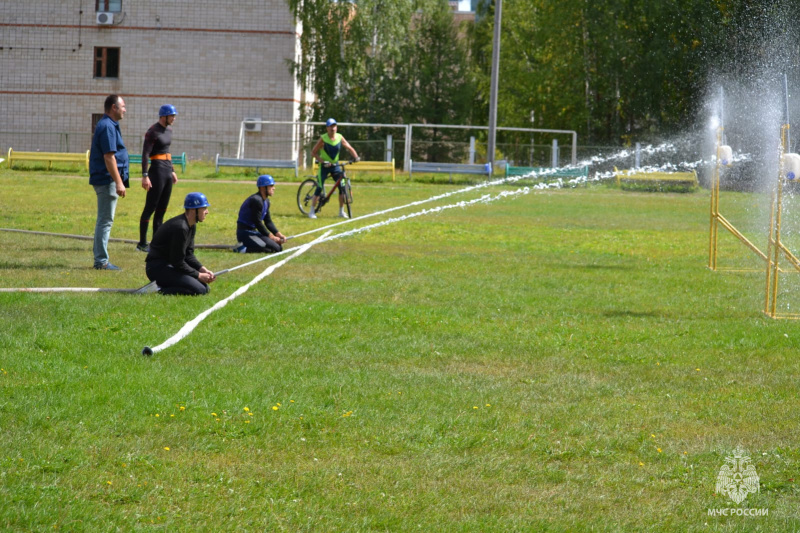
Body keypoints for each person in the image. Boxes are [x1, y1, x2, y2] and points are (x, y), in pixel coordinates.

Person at [145, 192, 216, 295]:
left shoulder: (191, 225)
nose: (207, 212)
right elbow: (177, 261)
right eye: (204, 208)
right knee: (200, 290)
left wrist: (203, 269)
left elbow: (189, 254)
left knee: (205, 288)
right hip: (157, 268)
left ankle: (166, 285)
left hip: (170, 265)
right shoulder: (180, 228)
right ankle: (157, 290)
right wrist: (198, 275)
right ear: (193, 210)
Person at [89, 94, 128, 270]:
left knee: (105, 220)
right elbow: (109, 157)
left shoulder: (110, 125)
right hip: (106, 179)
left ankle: (100, 259)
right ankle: (101, 262)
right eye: (123, 106)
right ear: (114, 107)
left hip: (107, 179)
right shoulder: (107, 127)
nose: (125, 109)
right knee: (105, 220)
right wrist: (118, 182)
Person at [137, 104, 179, 253]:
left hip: (167, 171)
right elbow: (145, 154)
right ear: (164, 116)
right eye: (172, 116)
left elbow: (167, 151)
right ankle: (142, 244)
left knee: (162, 209)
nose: (174, 118)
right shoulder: (152, 132)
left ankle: (156, 244)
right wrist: (144, 176)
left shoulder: (169, 130)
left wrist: (172, 170)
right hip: (156, 172)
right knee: (150, 208)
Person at [309, 118, 359, 219]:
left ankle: (341, 211)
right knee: (319, 187)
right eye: (330, 126)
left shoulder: (340, 137)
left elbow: (349, 147)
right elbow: (313, 152)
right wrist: (323, 162)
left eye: (334, 126)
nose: (333, 128)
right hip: (324, 166)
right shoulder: (323, 138)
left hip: (335, 166)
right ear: (327, 128)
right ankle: (311, 211)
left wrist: (356, 157)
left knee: (342, 186)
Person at [234, 175, 287, 253]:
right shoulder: (256, 201)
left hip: (254, 232)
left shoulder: (266, 201)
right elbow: (258, 223)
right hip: (245, 233)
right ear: (263, 188)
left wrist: (278, 234)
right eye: (271, 186)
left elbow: (268, 221)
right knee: (275, 248)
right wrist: (271, 237)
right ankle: (241, 249)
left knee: (278, 247)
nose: (274, 188)